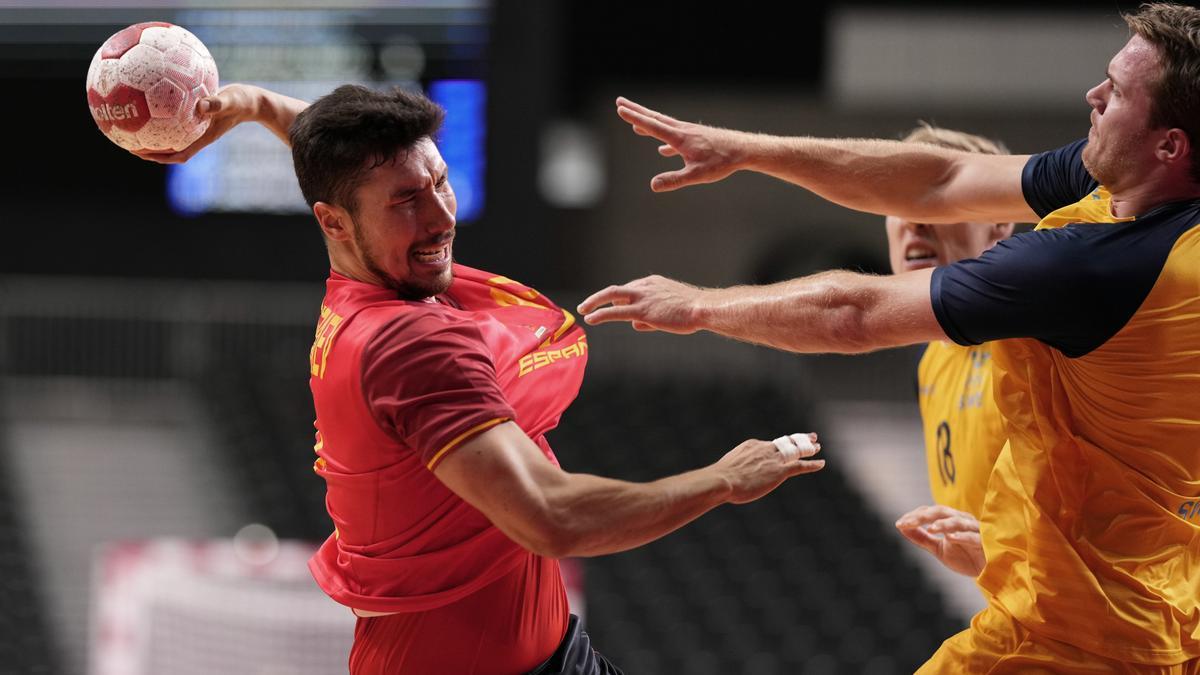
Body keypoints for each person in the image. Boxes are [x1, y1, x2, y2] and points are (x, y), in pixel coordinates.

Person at [579, 3, 1200, 671]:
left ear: (1169, 145)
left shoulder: (1080, 272)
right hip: (1139, 618)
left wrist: (699, 305)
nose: (1093, 94)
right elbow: (941, 179)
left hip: (1079, 639)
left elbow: (854, 314)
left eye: (1116, 90)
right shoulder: (1136, 197)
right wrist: (749, 150)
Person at [139, 84, 824, 674]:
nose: (440, 216)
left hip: (555, 657)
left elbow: (343, 159)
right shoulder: (411, 344)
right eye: (408, 200)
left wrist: (258, 104)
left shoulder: (377, 271)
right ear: (333, 222)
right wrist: (724, 479)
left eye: (441, 182)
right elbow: (550, 516)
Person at [886, 125, 1014, 579]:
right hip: (1031, 620)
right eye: (898, 202)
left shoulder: (1045, 334)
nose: (914, 220)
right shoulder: (934, 361)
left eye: (934, 200)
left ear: (999, 223)